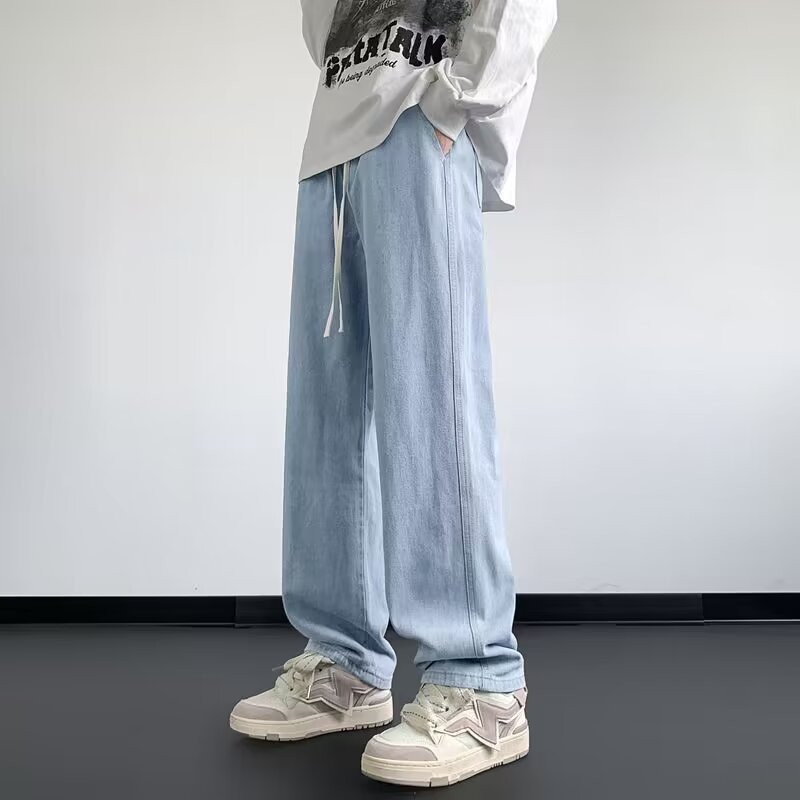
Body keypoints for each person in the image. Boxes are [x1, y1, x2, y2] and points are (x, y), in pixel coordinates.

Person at [230, 0, 557, 787]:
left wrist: (455, 100)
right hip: (336, 134)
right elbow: (323, 28)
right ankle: (345, 662)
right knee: (325, 417)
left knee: (433, 401)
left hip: (419, 117)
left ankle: (481, 685)